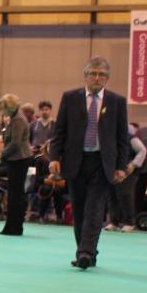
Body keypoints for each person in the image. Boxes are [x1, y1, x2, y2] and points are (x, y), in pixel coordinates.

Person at [48, 57, 130, 268]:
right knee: (79, 209)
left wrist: (121, 166)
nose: (97, 77)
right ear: (85, 76)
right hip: (76, 161)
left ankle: (85, 252)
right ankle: (86, 251)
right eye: (93, 73)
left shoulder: (117, 101)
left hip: (102, 163)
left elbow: (122, 137)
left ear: (107, 78)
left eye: (101, 74)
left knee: (95, 209)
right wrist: (54, 158)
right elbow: (59, 132)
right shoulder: (70, 97)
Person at [0, 94, 32, 236]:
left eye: (2, 108)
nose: (1, 111)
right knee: (13, 194)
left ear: (9, 107)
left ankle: (15, 227)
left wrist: (2, 153)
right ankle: (11, 227)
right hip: (16, 159)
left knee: (16, 195)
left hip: (19, 160)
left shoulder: (18, 119)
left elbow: (16, 143)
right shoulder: (15, 118)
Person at [104, 127, 146, 233]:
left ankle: (130, 222)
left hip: (129, 171)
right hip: (112, 170)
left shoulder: (130, 138)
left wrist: (133, 164)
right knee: (111, 195)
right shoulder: (108, 138)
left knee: (125, 195)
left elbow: (142, 150)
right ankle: (114, 222)